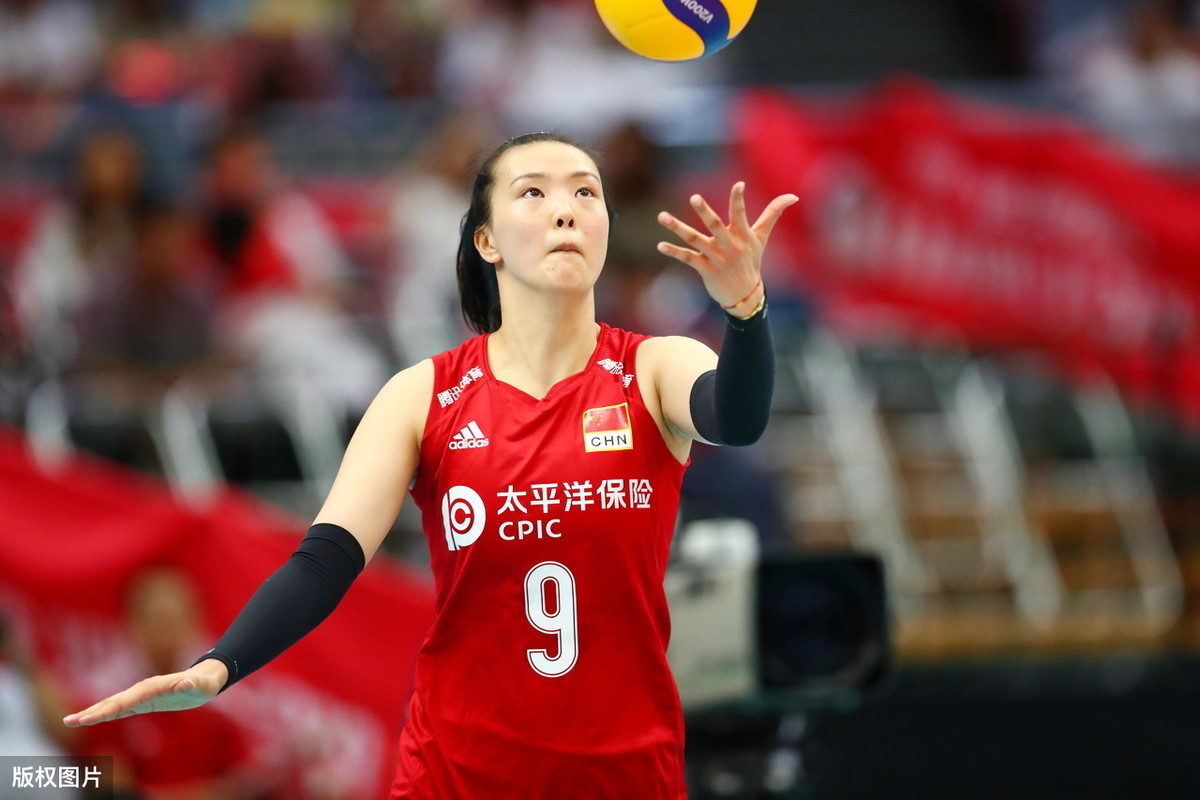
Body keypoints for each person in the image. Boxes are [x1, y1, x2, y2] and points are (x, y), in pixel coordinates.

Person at [63, 132, 798, 799]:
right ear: (487, 240)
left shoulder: (654, 366)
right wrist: (218, 665)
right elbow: (326, 559)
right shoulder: (423, 393)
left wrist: (746, 312)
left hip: (623, 774)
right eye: (534, 192)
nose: (566, 209)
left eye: (586, 192)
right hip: (456, 774)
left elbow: (738, 418)